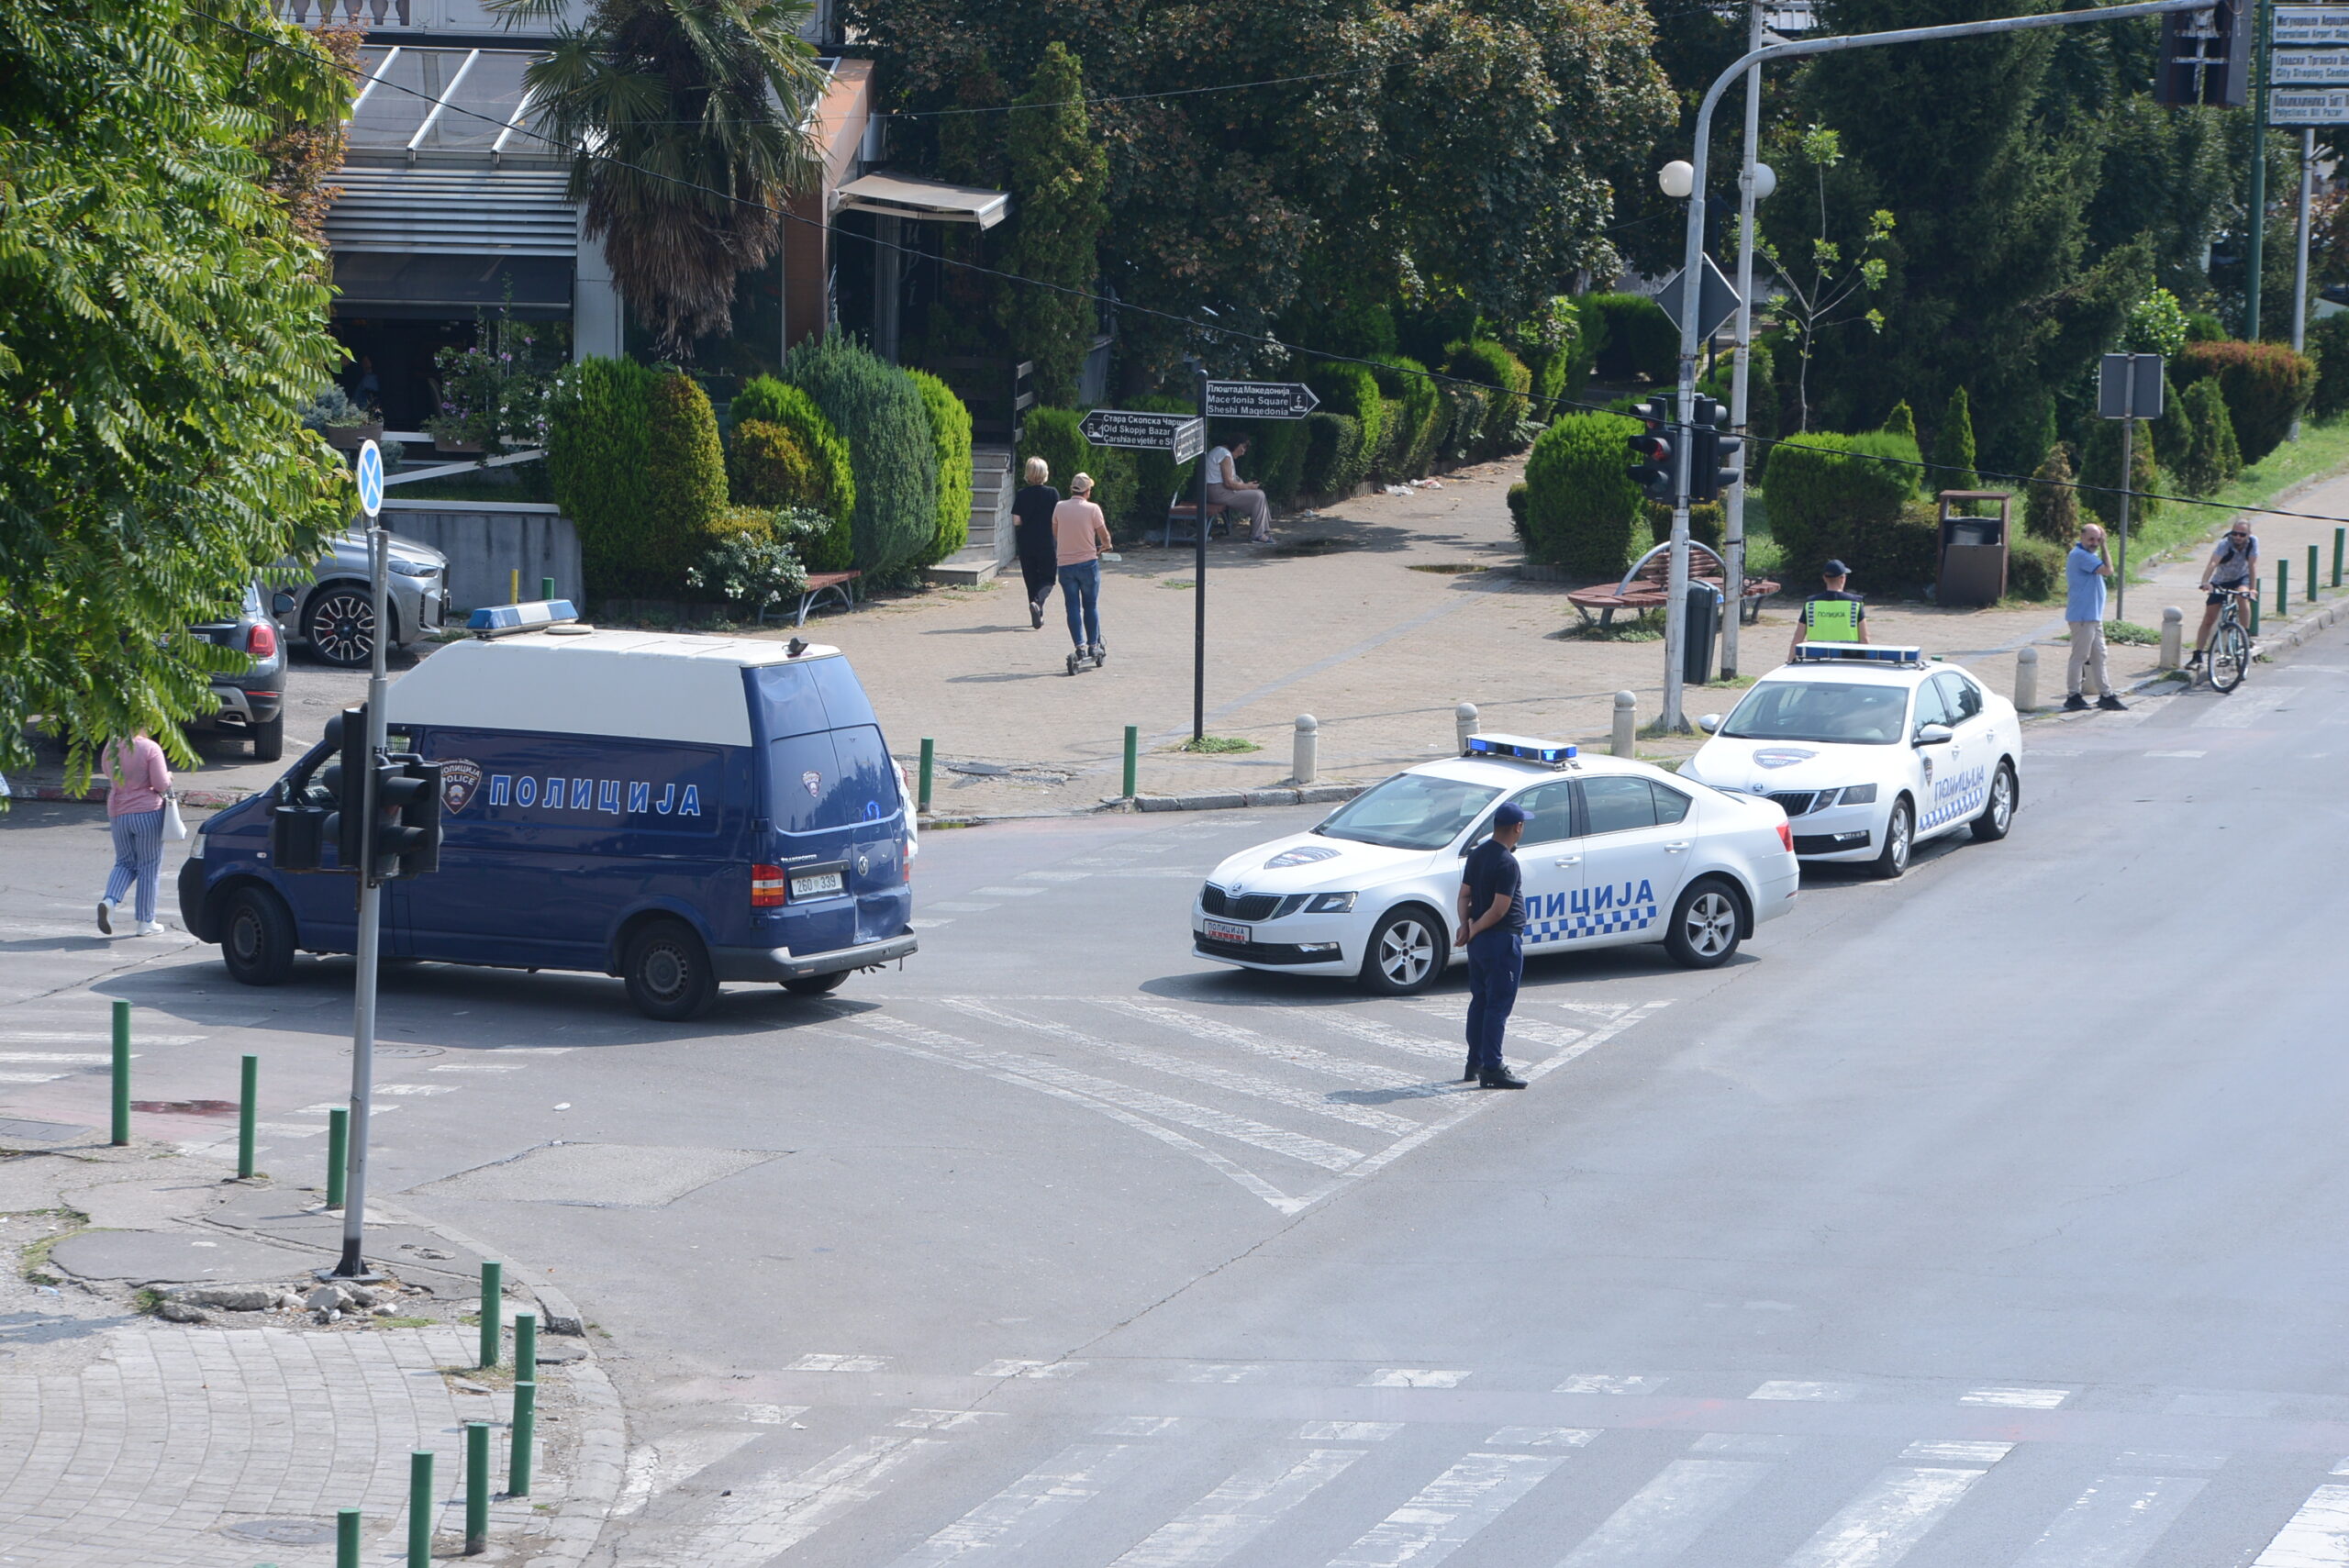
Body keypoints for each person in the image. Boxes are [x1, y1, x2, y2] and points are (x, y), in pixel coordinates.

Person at [1454, 801, 1530, 1091]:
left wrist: (1466, 926)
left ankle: (1474, 1061)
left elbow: (1464, 896)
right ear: (1517, 827)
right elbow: (1499, 909)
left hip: (1479, 944)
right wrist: (1474, 927)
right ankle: (1493, 1067)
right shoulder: (1507, 863)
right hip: (1502, 941)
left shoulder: (1478, 854)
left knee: (1481, 1001)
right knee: (1497, 1005)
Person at [98, 730, 173, 937]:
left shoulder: (111, 746)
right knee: (149, 866)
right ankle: (145, 921)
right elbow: (160, 784)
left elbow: (107, 772)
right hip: (147, 811)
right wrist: (169, 777)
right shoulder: (150, 747)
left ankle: (109, 901)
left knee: (124, 862)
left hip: (118, 811)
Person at [1052, 473, 1113, 674]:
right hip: (1088, 563)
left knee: (1072, 606)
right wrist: (1106, 545)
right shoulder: (1093, 509)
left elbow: (1055, 532)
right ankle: (1093, 645)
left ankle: (1079, 647)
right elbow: (1103, 534)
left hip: (1065, 565)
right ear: (1087, 491)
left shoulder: (1059, 507)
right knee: (1090, 605)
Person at [2064, 521, 2126, 712]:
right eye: (2091, 539)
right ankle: (2073, 695)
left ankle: (2106, 695)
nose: (2095, 543)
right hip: (2083, 616)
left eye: (2098, 540)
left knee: (2099, 655)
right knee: (2080, 656)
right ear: (2081, 537)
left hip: (2092, 616)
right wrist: (2106, 545)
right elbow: (2108, 571)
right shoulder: (2081, 555)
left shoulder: (2089, 554)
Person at [2192, 523, 2261, 665]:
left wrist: (2252, 589)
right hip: (2221, 580)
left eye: (2242, 535)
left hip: (2241, 578)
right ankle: (2197, 654)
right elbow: (2212, 563)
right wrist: (2206, 582)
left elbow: (2252, 565)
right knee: (2209, 618)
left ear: (2248, 534)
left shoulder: (2253, 542)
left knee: (2243, 597)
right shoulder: (2224, 544)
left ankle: (2245, 635)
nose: (2238, 537)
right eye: (2234, 533)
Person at [1010, 456, 1062, 629]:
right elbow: (1058, 517)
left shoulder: (1021, 494)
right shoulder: (1052, 493)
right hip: (1047, 541)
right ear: (1045, 473)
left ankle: (1037, 612)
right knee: (1048, 578)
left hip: (1026, 542)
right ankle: (1038, 604)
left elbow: (1016, 521)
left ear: (1028, 474)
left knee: (1031, 579)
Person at [1787, 558, 1869, 659]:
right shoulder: (1855, 604)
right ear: (1843, 578)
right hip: (1847, 661)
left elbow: (1798, 638)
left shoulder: (1811, 604)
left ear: (1824, 578)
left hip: (1816, 661)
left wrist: (1790, 661)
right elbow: (1864, 639)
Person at [1203, 434, 1273, 543]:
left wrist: (1245, 486)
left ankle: (1261, 531)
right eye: (1243, 448)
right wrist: (1247, 487)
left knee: (1258, 495)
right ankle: (1258, 534)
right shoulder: (1225, 455)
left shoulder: (1219, 451)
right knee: (1259, 496)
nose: (1243, 452)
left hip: (1215, 491)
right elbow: (1228, 483)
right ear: (1237, 444)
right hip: (1218, 492)